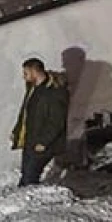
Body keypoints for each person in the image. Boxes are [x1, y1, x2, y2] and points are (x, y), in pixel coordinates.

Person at [10, 58, 69, 186]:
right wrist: (17, 131)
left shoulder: (54, 92)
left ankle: (30, 201)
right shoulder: (32, 89)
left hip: (43, 144)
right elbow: (25, 113)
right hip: (30, 140)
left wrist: (44, 141)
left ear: (34, 72)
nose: (23, 77)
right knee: (26, 176)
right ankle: (24, 199)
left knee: (30, 176)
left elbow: (57, 121)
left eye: (26, 73)